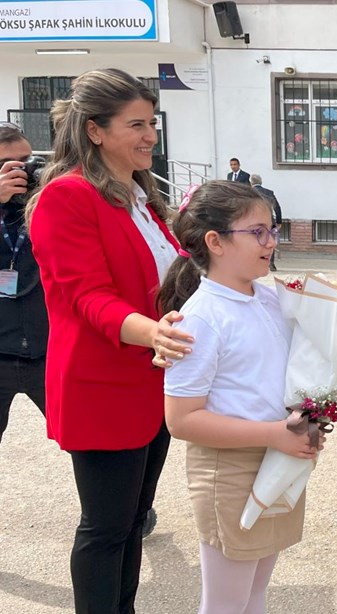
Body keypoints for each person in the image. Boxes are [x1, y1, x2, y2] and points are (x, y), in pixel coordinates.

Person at [156, 180, 337, 614]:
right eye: (257, 232)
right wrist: (274, 433)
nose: (270, 241)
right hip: (230, 469)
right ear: (214, 242)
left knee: (255, 594)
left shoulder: (271, 300)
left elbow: (297, 372)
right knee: (224, 604)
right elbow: (181, 421)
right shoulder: (200, 319)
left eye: (272, 229)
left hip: (279, 458)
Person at [27, 68, 195, 613]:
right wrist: (154, 333)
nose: (150, 135)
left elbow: (174, 279)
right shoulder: (66, 198)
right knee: (104, 531)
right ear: (95, 131)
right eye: (136, 124)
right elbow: (88, 297)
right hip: (104, 385)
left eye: (152, 123)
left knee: (130, 527)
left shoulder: (141, 196)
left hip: (153, 383)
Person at [0, 123, 47, 445]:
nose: (21, 171)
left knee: (91, 446)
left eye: (27, 161)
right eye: (8, 164)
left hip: (46, 349)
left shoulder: (46, 204)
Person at [250, 174, 283, 272]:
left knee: (255, 241)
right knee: (269, 241)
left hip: (254, 221)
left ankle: (255, 262)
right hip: (268, 220)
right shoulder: (269, 192)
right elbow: (277, 208)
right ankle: (271, 263)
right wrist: (279, 222)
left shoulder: (250, 192)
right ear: (261, 182)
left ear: (251, 182)